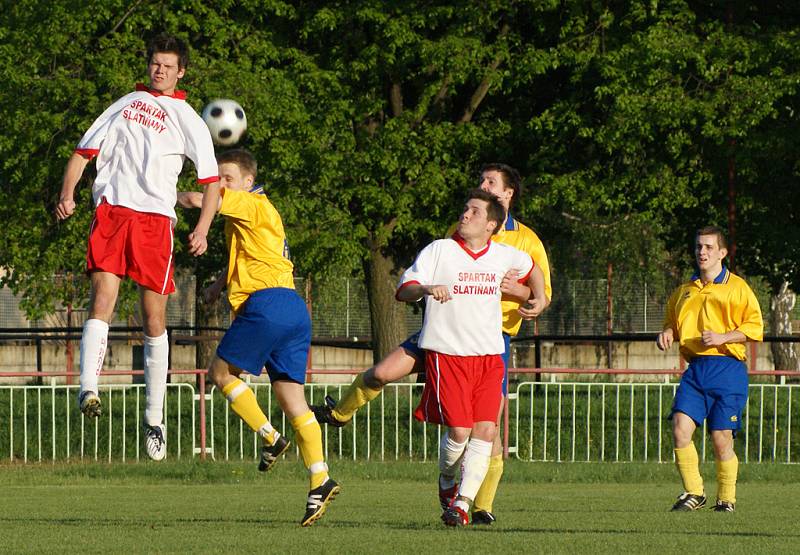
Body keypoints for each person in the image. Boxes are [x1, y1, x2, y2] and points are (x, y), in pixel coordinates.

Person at [312, 163, 551, 524]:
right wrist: (425, 288)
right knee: (383, 374)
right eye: (479, 184)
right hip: (442, 340)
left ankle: (474, 505)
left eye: (489, 183)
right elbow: (425, 276)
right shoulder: (448, 241)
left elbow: (539, 285)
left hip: (491, 342)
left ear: (507, 194)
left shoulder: (522, 241)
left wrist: (530, 296)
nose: (479, 188)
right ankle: (340, 413)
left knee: (487, 427)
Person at [55, 34, 221, 461]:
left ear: (181, 71)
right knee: (102, 299)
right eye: (154, 63)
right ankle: (88, 389)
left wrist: (202, 228)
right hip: (112, 212)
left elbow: (211, 185)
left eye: (168, 65)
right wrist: (69, 192)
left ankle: (154, 418)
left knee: (153, 318)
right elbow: (82, 152)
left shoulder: (189, 119)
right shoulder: (125, 103)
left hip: (154, 222)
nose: (159, 70)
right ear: (148, 66)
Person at [178, 149, 340, 527]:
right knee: (293, 400)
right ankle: (320, 477)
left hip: (266, 305)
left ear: (248, 182)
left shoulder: (251, 204)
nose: (220, 184)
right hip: (292, 308)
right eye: (218, 177)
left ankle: (270, 438)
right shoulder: (256, 216)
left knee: (220, 373)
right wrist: (219, 285)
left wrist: (156, 194)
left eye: (227, 178)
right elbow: (249, 258)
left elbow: (196, 199)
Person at [396, 188, 546, 526]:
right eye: (465, 209)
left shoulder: (504, 255)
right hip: (447, 355)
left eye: (474, 212)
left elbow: (532, 267)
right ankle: (448, 481)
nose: (465, 215)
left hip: (490, 356)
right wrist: (424, 289)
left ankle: (462, 504)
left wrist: (540, 297)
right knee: (460, 432)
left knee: (486, 431)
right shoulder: (440, 250)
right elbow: (404, 289)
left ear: (491, 224)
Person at [656, 226, 763, 512]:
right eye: (698, 247)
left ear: (722, 253)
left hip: (728, 368)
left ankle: (726, 499)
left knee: (720, 437)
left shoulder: (738, 287)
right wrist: (667, 332)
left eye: (708, 247)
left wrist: (723, 337)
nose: (702, 252)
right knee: (680, 429)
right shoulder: (684, 291)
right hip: (695, 369)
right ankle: (694, 492)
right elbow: (671, 322)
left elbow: (754, 327)